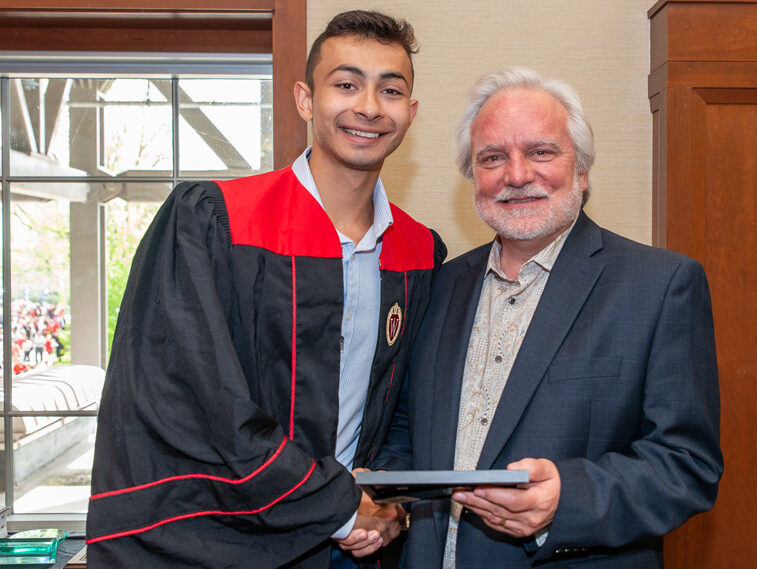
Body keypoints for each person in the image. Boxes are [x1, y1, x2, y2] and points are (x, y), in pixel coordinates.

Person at [87, 10, 445, 569]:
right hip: (231, 544)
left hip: (356, 548)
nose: (369, 107)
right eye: (346, 84)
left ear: (411, 112)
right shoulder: (215, 222)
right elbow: (196, 404)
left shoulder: (420, 251)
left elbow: (407, 402)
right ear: (305, 99)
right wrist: (336, 504)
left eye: (390, 90)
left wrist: (388, 494)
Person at [374, 67, 723, 568]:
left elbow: (687, 466)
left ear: (581, 170)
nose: (516, 175)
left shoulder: (660, 286)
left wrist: (568, 501)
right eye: (492, 158)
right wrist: (387, 498)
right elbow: (407, 426)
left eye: (540, 152)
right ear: (473, 178)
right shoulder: (439, 284)